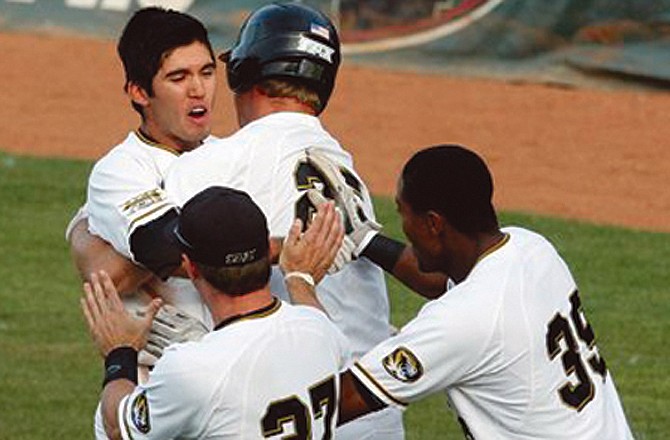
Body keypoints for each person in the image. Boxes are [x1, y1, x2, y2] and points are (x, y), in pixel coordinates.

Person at [160, 3, 405, 437]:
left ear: (243, 73)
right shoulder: (342, 165)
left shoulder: (218, 162)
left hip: (297, 416)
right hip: (374, 415)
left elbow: (146, 249)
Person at [321, 144, 633, 438]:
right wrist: (362, 239)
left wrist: (300, 281)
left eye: (403, 212)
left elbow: (335, 403)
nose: (402, 223)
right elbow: (436, 282)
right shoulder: (531, 248)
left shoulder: (462, 321)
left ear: (433, 223)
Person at [81, 186, 351, 440]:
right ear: (269, 250)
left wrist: (120, 351)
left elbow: (118, 426)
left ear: (190, 267)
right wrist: (299, 276)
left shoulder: (194, 368)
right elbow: (310, 314)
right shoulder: (321, 329)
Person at [64, 7, 219, 438]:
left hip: (233, 377)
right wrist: (263, 245)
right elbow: (150, 252)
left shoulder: (235, 155)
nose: (198, 90)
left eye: (206, 72)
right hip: (158, 381)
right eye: (178, 77)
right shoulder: (123, 167)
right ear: (139, 91)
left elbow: (116, 267)